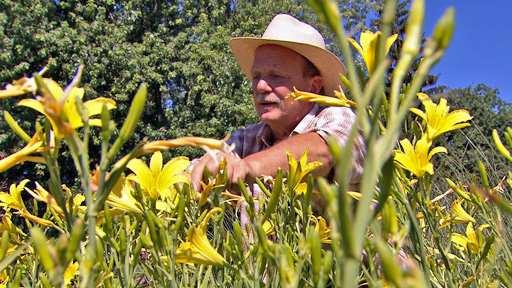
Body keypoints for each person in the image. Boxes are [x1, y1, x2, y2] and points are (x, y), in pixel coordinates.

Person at [191, 14, 365, 192]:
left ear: (314, 86)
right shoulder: (245, 139)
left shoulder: (341, 117)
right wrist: (206, 168)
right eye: (256, 76)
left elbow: (327, 151)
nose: (260, 86)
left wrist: (248, 167)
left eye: (276, 76)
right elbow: (189, 176)